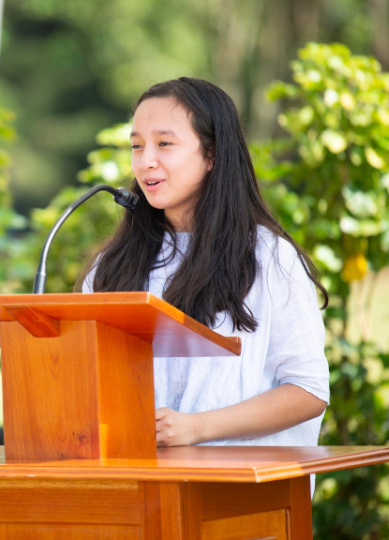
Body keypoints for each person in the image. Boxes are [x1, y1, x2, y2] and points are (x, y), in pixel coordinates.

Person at [82, 77, 330, 447]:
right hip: (135, 480)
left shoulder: (268, 257)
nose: (146, 161)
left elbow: (308, 390)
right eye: (137, 146)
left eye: (164, 144)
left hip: (238, 489)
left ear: (211, 155)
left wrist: (197, 428)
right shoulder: (113, 265)